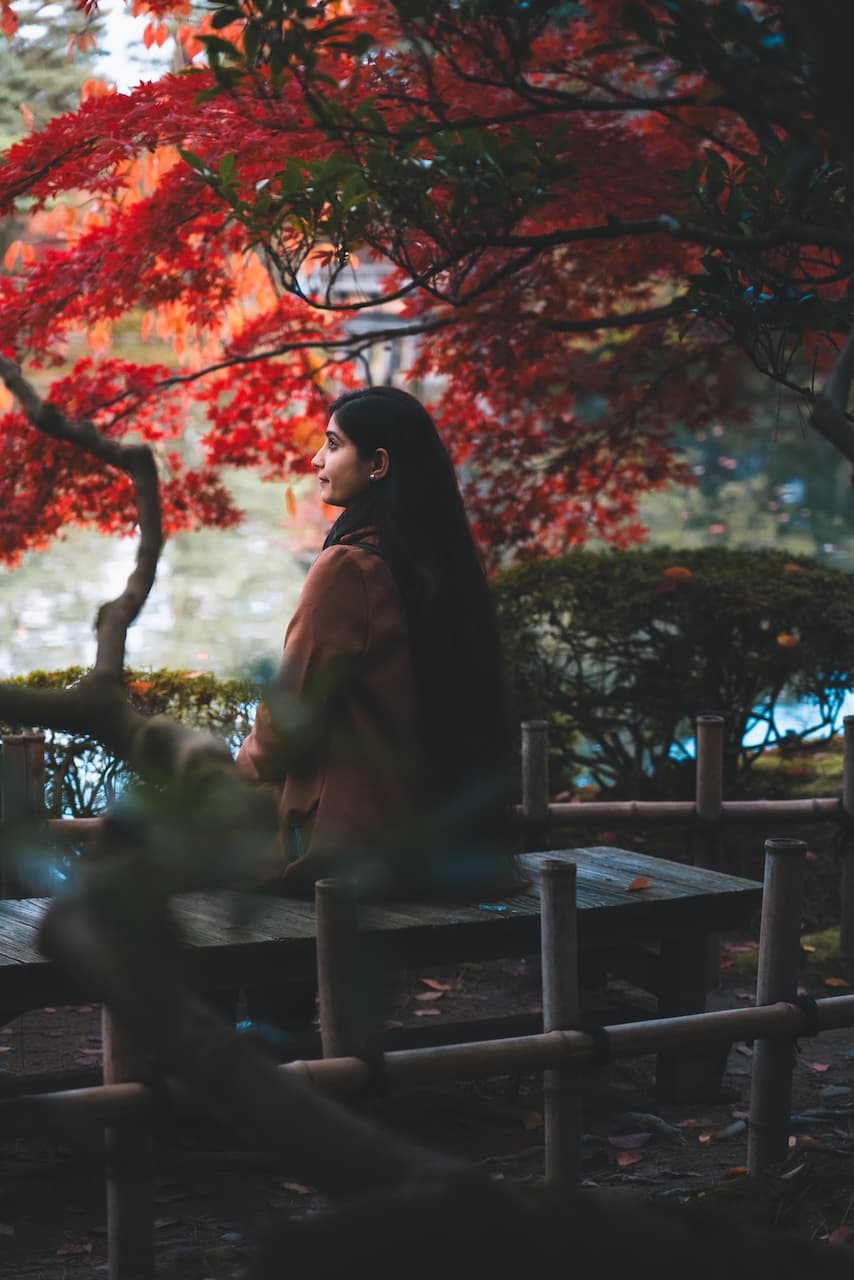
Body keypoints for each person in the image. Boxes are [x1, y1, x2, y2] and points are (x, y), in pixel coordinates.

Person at [236, 386, 517, 900]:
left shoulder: (348, 567)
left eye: (334, 444)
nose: (316, 458)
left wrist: (231, 778)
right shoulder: (434, 563)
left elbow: (286, 719)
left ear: (378, 464)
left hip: (341, 853)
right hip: (431, 842)